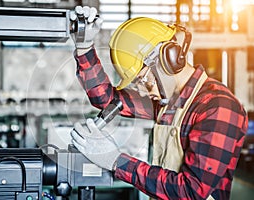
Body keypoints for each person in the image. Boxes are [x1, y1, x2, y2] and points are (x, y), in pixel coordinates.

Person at [69, 6, 248, 200]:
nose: (144, 91)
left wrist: (116, 161)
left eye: (143, 80)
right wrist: (84, 46)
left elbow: (191, 192)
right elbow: (108, 99)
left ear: (167, 59)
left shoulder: (218, 107)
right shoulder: (169, 103)